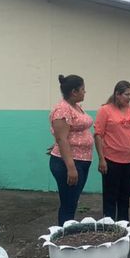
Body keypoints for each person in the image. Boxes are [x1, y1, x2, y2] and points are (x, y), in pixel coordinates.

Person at [94, 80, 130, 221]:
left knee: (125, 196)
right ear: (117, 94)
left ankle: (124, 225)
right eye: (127, 94)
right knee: (110, 196)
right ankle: (109, 226)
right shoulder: (105, 110)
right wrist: (101, 159)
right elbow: (98, 135)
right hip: (111, 160)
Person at [49, 74, 94, 225]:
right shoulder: (62, 109)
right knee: (68, 203)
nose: (85, 92)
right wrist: (71, 168)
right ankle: (64, 234)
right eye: (83, 89)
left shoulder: (75, 106)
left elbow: (66, 135)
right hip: (69, 163)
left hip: (81, 160)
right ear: (74, 91)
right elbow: (62, 139)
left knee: (72, 201)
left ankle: (67, 231)